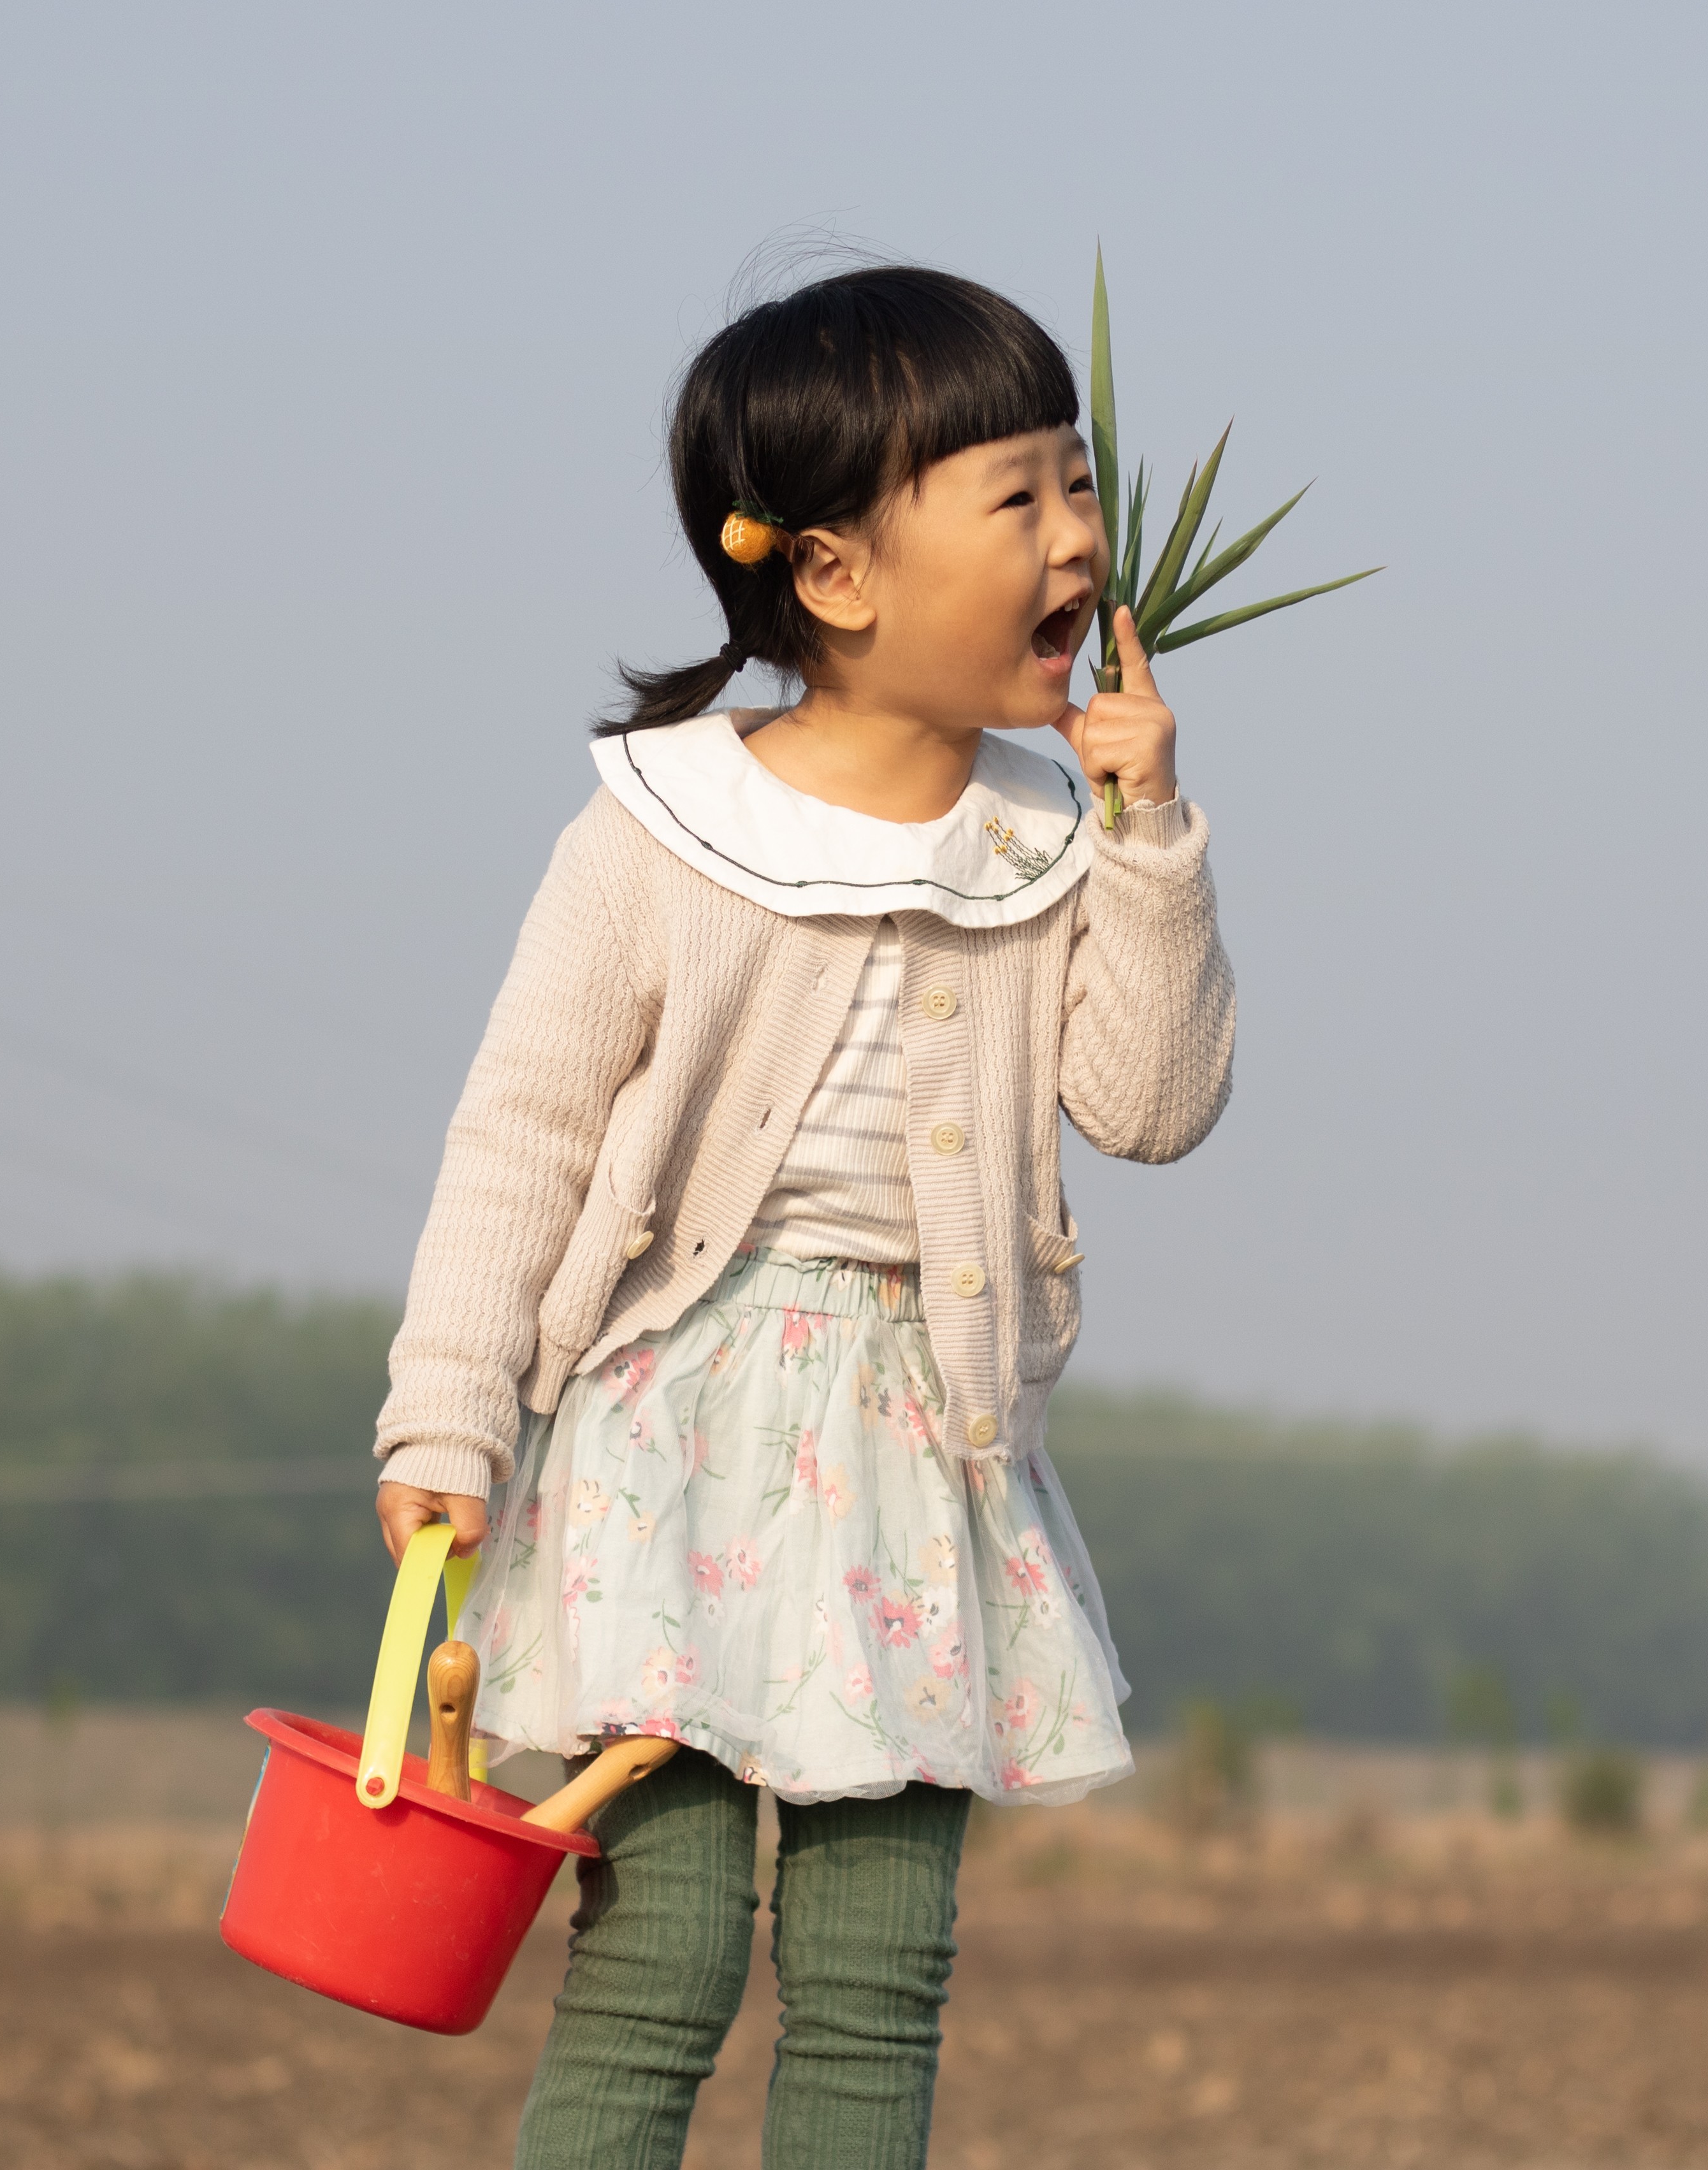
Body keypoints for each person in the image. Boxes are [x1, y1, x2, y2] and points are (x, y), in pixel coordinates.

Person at [372, 263, 1236, 2168]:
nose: (1079, 539)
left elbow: (1151, 1108)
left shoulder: (1051, 842)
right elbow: (516, 1135)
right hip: (661, 1439)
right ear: (837, 574)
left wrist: (1150, 837)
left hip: (927, 1444)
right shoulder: (657, 835)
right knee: (660, 1952)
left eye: (1078, 487)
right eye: (1017, 499)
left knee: (877, 1971)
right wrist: (446, 1416)